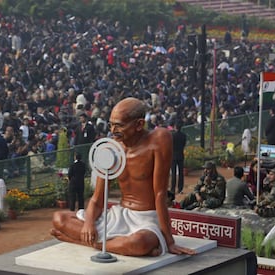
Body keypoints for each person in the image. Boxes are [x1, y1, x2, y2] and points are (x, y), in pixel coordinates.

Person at [50, 98, 195, 257]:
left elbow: (160, 194)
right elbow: (98, 199)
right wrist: (89, 224)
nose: (113, 130)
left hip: (145, 220)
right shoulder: (111, 148)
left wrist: (169, 242)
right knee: (59, 218)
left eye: (119, 125)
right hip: (118, 215)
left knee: (139, 244)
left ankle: (88, 242)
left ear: (139, 124)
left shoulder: (159, 139)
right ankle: (108, 244)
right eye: (111, 124)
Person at [170, 121, 187, 194]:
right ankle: (180, 188)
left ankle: (172, 189)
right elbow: (184, 144)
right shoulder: (184, 135)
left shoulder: (172, 135)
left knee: (173, 173)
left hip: (173, 155)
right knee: (181, 173)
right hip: (180, 155)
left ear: (175, 127)